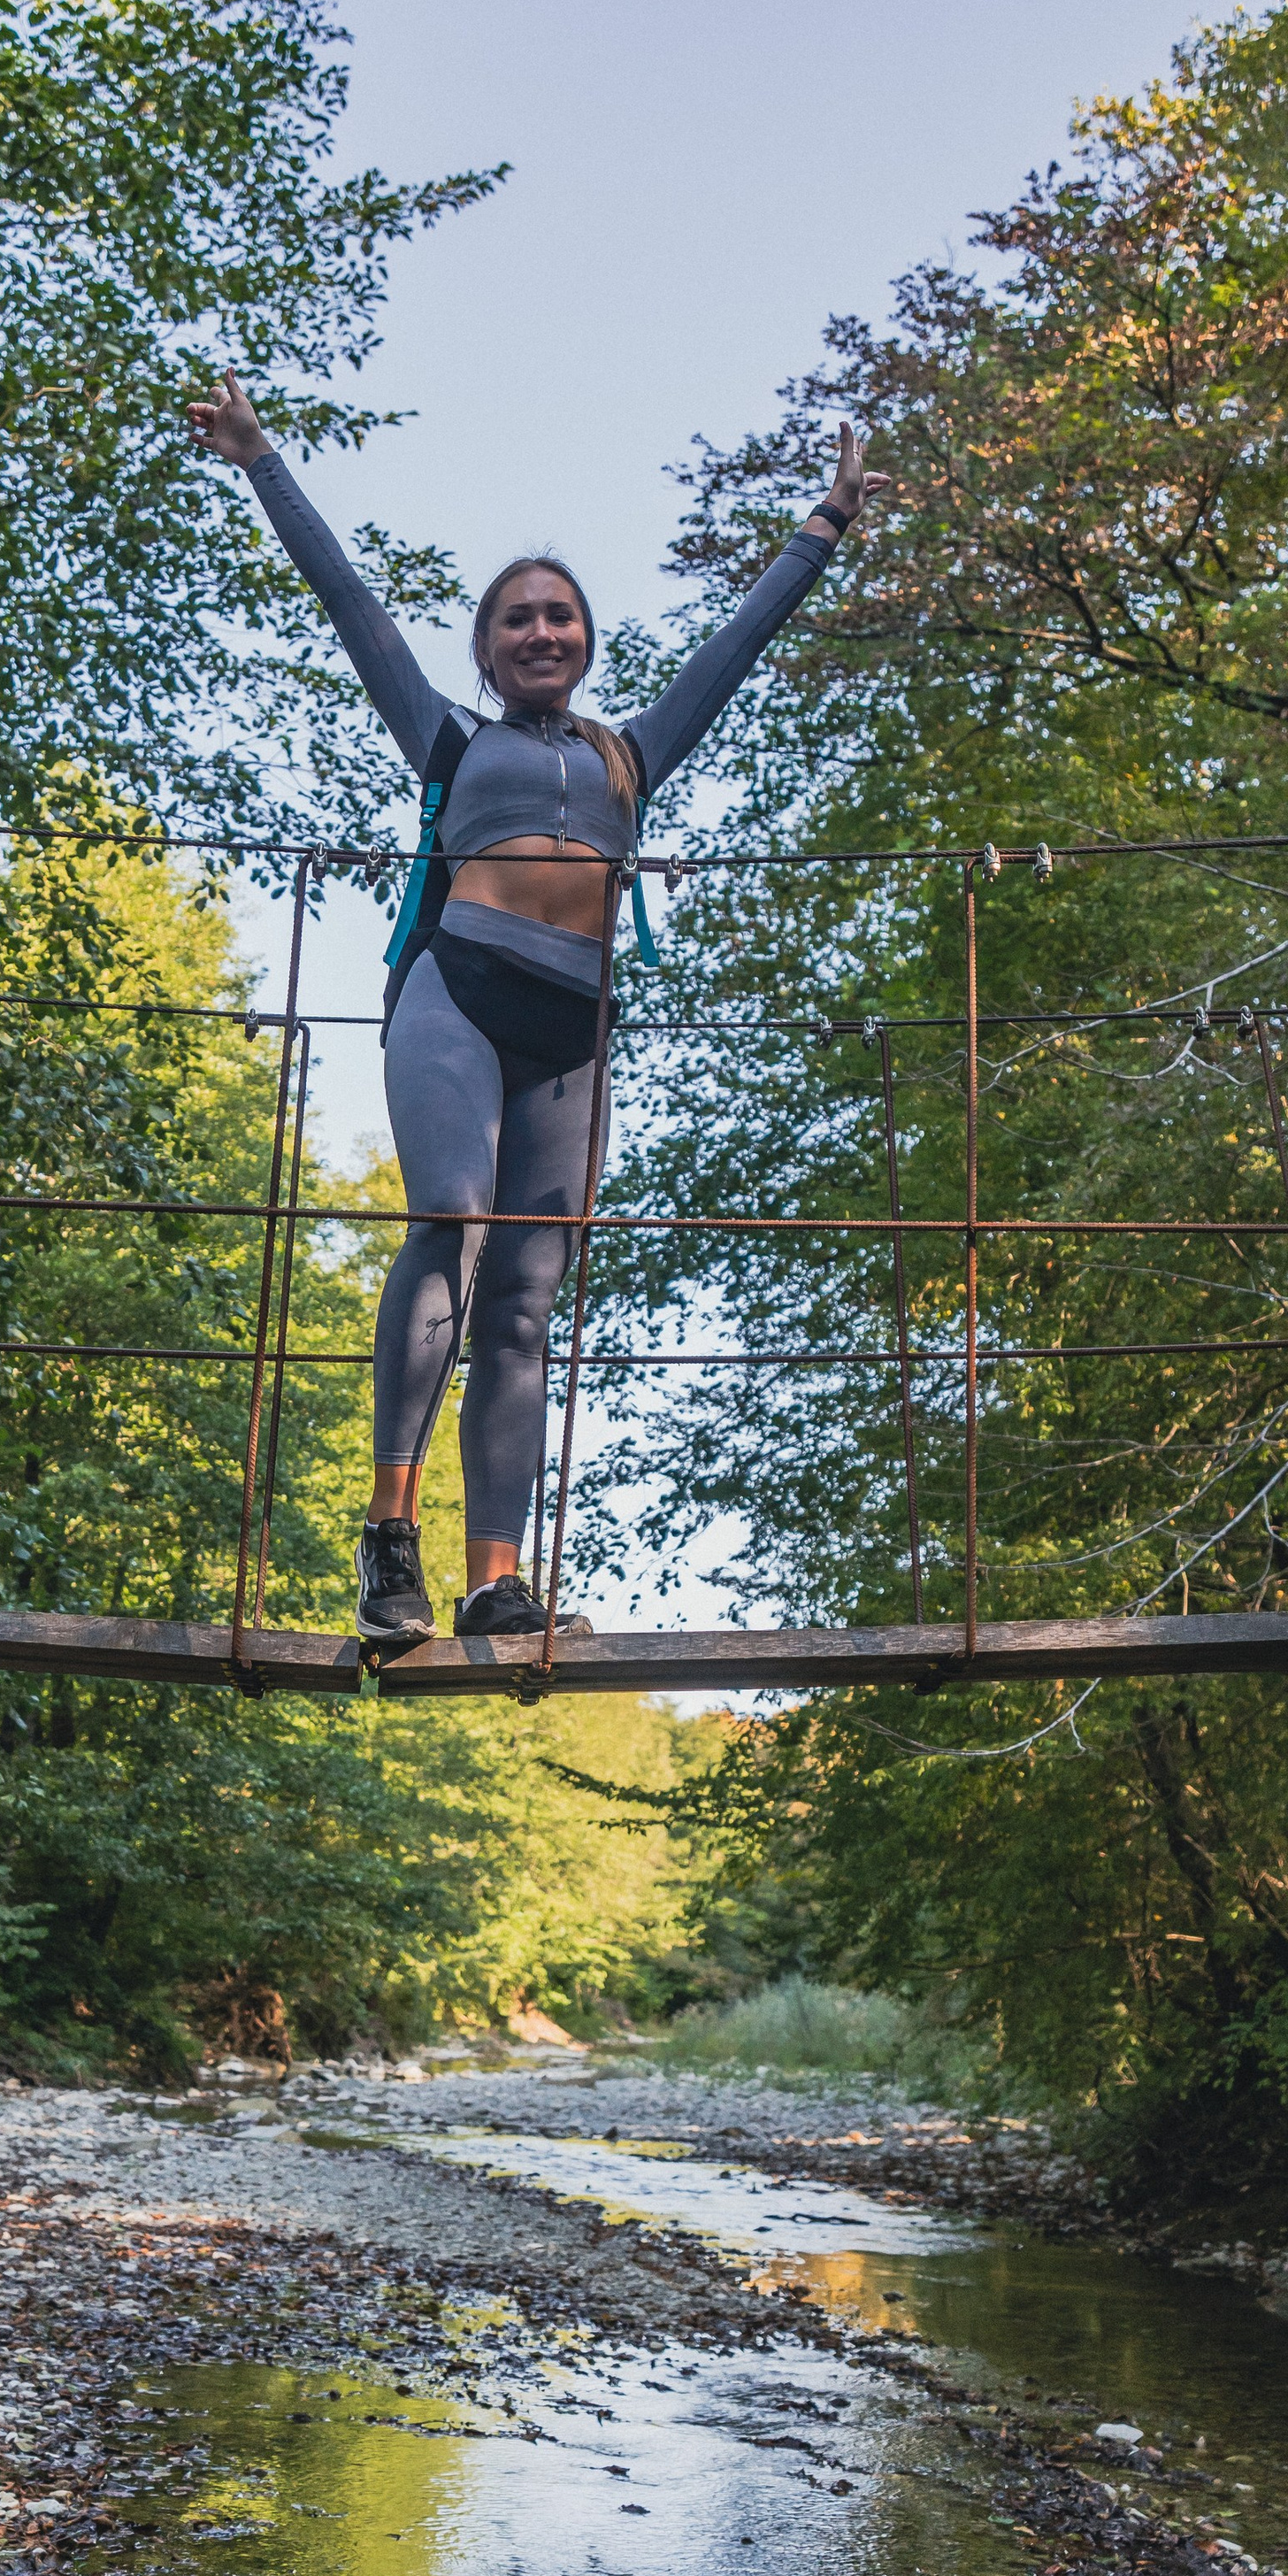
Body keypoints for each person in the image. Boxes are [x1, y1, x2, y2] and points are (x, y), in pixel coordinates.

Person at [189, 370, 884, 1642]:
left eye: (561, 617)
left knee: (524, 1303)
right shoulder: (451, 737)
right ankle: (390, 1539)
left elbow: (735, 649)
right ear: (486, 648)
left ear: (588, 639)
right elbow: (352, 605)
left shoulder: (632, 754)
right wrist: (259, 458)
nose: (543, 633)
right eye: (518, 620)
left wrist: (822, 529)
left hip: (575, 1032)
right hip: (456, 994)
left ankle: (493, 1577)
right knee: (450, 1220)